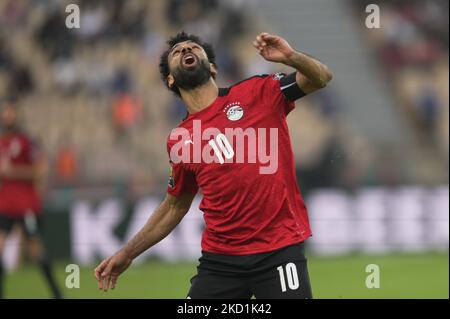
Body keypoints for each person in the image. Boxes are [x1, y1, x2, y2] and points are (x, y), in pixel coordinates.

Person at [95, 31, 332, 298]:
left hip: (278, 249)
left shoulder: (259, 92)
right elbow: (175, 205)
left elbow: (321, 78)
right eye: (177, 51)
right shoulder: (180, 139)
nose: (186, 50)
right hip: (221, 262)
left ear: (213, 67)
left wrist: (291, 57)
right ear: (171, 79)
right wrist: (127, 253)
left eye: (194, 47)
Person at [0, 100, 63, 299]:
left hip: (26, 203)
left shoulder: (27, 142)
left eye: (11, 112)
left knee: (36, 252)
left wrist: (13, 171)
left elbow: (41, 170)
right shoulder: (1, 143)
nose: (8, 116)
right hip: (5, 204)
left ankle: (57, 293)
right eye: (5, 112)